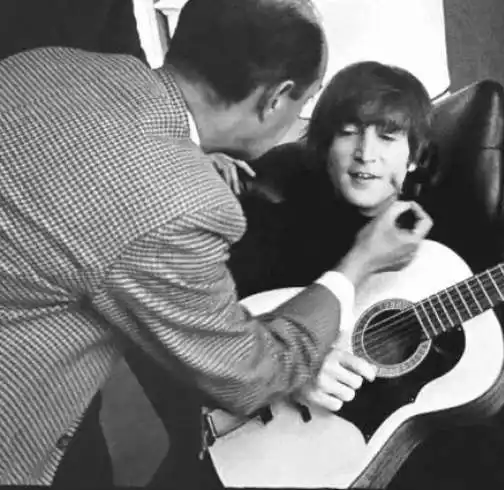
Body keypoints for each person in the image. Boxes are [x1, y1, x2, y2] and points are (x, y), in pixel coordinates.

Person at [0, 0, 433, 487]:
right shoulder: (183, 202)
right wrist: (358, 265)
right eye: (307, 106)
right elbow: (250, 374)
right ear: (276, 99)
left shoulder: (44, 63)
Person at [226, 60, 504, 487]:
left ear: (415, 157)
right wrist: (294, 365)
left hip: (411, 447)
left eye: (388, 137)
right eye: (348, 134)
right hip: (287, 444)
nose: (366, 154)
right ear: (324, 147)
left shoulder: (452, 237)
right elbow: (210, 331)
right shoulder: (279, 222)